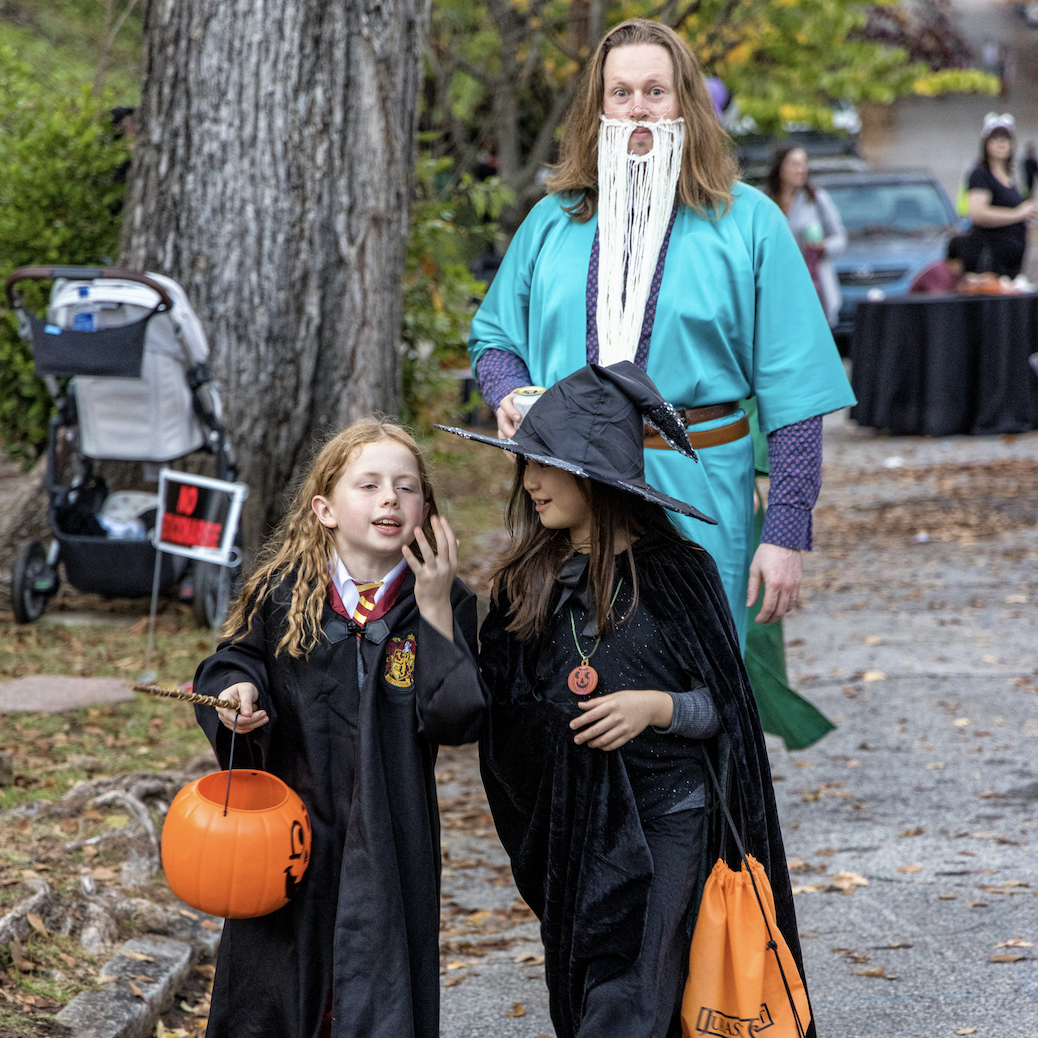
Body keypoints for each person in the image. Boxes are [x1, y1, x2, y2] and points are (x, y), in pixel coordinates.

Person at [439, 362, 808, 1038]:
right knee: (594, 985)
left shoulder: (677, 574)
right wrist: (440, 603)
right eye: (526, 464)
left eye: (544, 465)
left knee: (633, 994)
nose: (529, 482)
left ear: (593, 473)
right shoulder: (527, 580)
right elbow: (498, 709)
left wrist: (655, 708)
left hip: (670, 815)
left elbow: (726, 709)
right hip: (577, 822)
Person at [468, 19, 855, 650]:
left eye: (656, 91)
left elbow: (797, 392)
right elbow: (494, 339)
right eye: (621, 93)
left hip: (697, 482)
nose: (638, 108)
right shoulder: (553, 220)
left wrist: (785, 531)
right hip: (569, 485)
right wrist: (509, 392)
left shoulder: (748, 222)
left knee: (694, 675)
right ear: (598, 108)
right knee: (567, 670)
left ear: (687, 103)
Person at [192, 418, 485, 1038]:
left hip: (390, 831)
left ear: (426, 510)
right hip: (292, 828)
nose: (390, 499)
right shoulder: (283, 593)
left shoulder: (445, 600)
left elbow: (457, 717)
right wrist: (235, 693)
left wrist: (434, 608)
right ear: (324, 509)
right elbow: (234, 660)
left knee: (376, 983)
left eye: (407, 487)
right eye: (369, 484)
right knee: (277, 982)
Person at [764, 145, 847, 328]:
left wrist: (823, 246)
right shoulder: (764, 200)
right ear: (780, 167)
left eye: (803, 164)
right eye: (794, 164)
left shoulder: (816, 199)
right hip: (778, 287)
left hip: (813, 287)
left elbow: (840, 239)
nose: (801, 169)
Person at [964, 112, 1037, 279]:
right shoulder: (981, 174)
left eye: (1006, 139)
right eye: (996, 139)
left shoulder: (1011, 176)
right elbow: (977, 214)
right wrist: (1017, 214)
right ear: (986, 144)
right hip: (989, 262)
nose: (1001, 144)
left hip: (1011, 264)